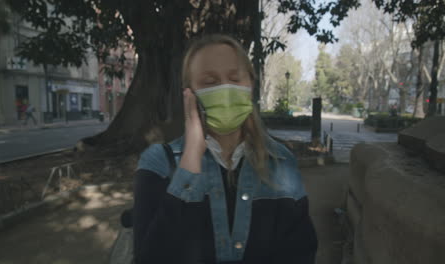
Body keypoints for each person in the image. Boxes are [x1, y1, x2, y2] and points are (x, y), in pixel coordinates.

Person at [133, 34, 317, 264]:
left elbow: (299, 253)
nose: (225, 88)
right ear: (189, 94)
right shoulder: (158, 162)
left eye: (234, 78)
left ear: (251, 84)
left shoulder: (281, 161)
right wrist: (190, 160)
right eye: (209, 82)